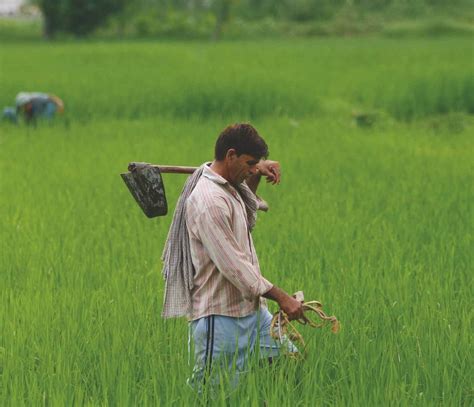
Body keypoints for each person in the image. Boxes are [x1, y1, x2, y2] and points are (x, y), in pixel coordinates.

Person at [161, 123, 304, 388]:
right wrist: (282, 297)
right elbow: (235, 267)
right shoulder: (209, 201)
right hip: (221, 318)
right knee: (215, 393)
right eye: (249, 163)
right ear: (230, 155)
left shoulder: (230, 187)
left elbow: (247, 218)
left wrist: (256, 172)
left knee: (287, 362)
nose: (252, 169)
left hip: (249, 310)